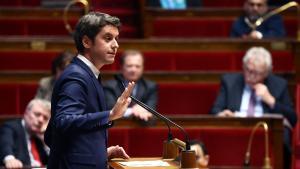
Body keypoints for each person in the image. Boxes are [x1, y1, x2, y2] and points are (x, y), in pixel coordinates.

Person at [44, 12, 135, 169]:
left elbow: (54, 135)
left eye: (116, 38)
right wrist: (110, 115)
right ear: (86, 41)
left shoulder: (88, 73)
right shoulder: (76, 76)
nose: (115, 45)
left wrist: (98, 152)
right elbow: (63, 122)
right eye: (108, 38)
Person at [210, 47, 297, 169]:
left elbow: (293, 118)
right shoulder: (229, 82)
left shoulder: (279, 84)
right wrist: (222, 114)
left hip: (265, 132)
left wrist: (271, 100)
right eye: (247, 70)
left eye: (256, 73)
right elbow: (214, 110)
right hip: (236, 130)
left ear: (266, 72)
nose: (250, 76)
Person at [104, 50, 157, 126]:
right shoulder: (109, 86)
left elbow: (151, 109)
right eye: (129, 66)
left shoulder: (150, 86)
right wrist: (133, 111)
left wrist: (143, 110)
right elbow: (110, 110)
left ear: (143, 68)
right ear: (121, 67)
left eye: (137, 66)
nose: (133, 70)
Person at [0, 99, 51, 169]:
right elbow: (5, 144)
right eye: (37, 114)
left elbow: (51, 161)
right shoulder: (11, 127)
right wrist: (9, 159)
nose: (41, 120)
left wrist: (45, 140)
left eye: (45, 118)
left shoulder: (40, 137)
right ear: (26, 113)